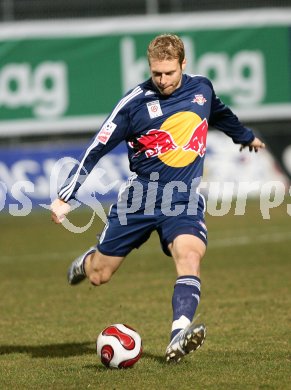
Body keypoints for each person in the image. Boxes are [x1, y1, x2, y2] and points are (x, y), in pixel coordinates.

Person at [50, 34, 265, 363]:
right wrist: (67, 195)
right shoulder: (134, 103)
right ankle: (90, 259)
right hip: (139, 199)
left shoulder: (201, 89)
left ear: (183, 64)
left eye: (169, 73)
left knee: (190, 254)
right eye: (156, 74)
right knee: (99, 276)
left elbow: (220, 114)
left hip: (183, 197)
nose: (162, 80)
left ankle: (179, 332)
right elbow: (97, 147)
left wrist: (245, 137)